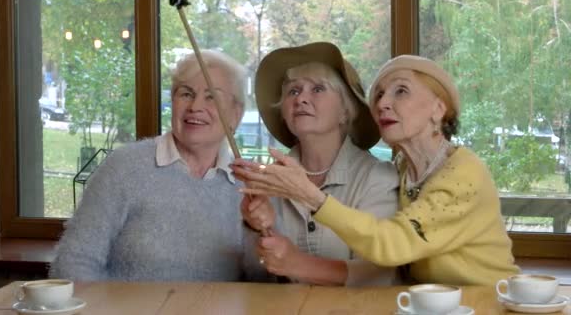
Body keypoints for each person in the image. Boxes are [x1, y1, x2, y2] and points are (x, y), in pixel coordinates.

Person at [233, 55, 520, 286]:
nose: (382, 103)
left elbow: (391, 246)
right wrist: (258, 225)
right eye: (379, 94)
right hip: (432, 305)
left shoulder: (463, 174)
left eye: (401, 91)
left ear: (438, 108)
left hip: (486, 302)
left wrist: (310, 197)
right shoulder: (405, 168)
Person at [50, 50, 268, 282]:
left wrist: (257, 231)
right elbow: (72, 264)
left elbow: (263, 285)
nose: (195, 106)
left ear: (236, 114)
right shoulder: (123, 168)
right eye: (186, 93)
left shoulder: (251, 184)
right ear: (172, 101)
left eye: (212, 97)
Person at [238, 42, 399, 286]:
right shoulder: (267, 180)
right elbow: (253, 276)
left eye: (318, 89)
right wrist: (257, 229)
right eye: (293, 91)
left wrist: (296, 263)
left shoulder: (378, 178)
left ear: (345, 111)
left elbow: (380, 276)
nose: (301, 98)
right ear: (283, 112)